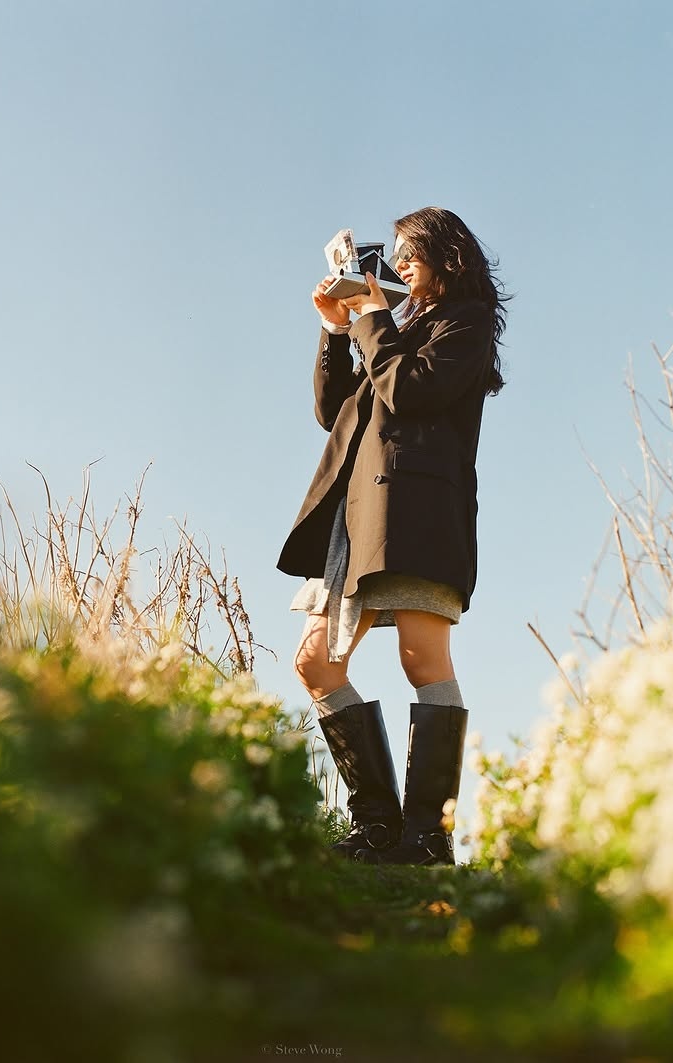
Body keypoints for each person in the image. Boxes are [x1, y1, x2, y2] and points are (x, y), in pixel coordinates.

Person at [277, 206, 508, 866]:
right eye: (395, 253)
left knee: (421, 659)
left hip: (417, 516)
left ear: (446, 255)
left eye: (410, 251)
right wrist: (336, 327)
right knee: (315, 662)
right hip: (355, 521)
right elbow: (335, 411)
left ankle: (427, 836)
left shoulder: (466, 323)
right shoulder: (392, 332)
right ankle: (378, 824)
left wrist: (374, 317)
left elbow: (409, 390)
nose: (400, 263)